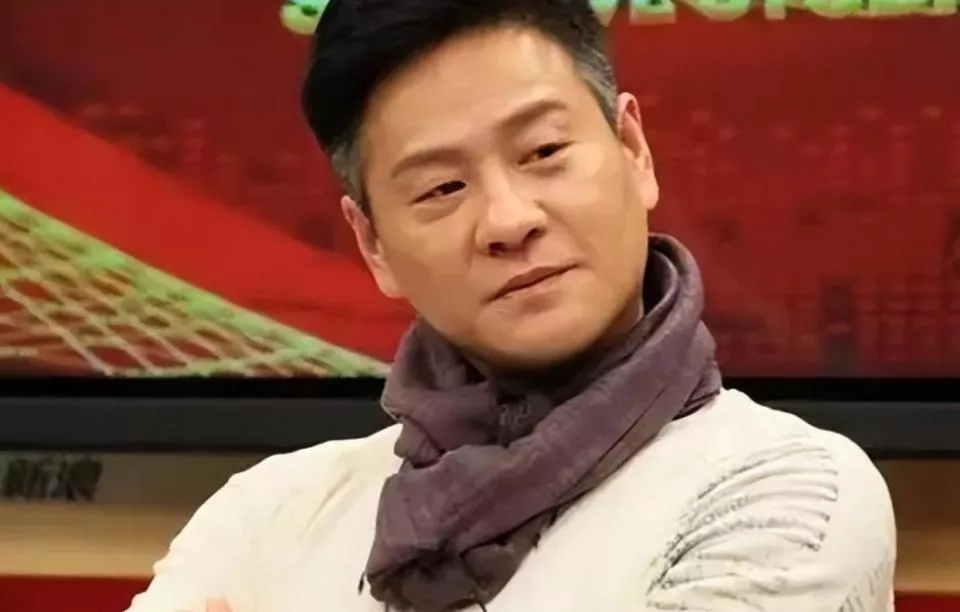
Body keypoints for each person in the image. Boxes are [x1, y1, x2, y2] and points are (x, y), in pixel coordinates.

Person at [126, 1, 896, 610]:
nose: (507, 219)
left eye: (544, 152)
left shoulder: (785, 489)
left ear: (634, 150)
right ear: (373, 244)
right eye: (441, 188)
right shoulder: (268, 514)